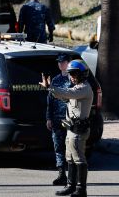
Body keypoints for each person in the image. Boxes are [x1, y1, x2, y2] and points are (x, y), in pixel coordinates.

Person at [40, 59, 93, 197]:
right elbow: (65, 96)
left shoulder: (84, 88)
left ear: (82, 74)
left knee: (79, 159)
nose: (72, 77)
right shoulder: (76, 88)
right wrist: (53, 91)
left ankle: (81, 189)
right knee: (69, 157)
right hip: (71, 128)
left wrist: (50, 87)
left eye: (75, 74)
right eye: (71, 74)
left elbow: (67, 93)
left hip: (78, 130)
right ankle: (71, 185)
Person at [46, 53, 72, 186]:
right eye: (59, 62)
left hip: (70, 119)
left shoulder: (73, 80)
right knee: (58, 147)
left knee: (72, 148)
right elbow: (50, 100)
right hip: (57, 119)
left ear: (68, 62)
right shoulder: (55, 80)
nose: (60, 64)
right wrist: (49, 118)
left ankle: (74, 177)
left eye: (63, 62)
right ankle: (62, 174)